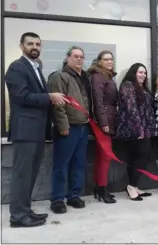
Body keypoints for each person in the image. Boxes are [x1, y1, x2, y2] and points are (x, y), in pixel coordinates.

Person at [5, 32, 67, 227]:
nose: (34, 47)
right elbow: (21, 97)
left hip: (37, 130)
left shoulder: (36, 67)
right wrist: (49, 97)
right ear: (21, 46)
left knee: (30, 175)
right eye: (30, 43)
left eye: (38, 44)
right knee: (22, 175)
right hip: (25, 130)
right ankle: (17, 216)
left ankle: (25, 210)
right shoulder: (17, 67)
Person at [48, 46, 92, 213]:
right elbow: (57, 105)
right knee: (61, 164)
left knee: (78, 164)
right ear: (67, 58)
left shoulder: (84, 77)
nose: (79, 59)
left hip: (83, 127)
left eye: (81, 57)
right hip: (68, 128)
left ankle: (74, 195)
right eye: (75, 56)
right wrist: (63, 126)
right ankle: (57, 199)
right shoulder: (59, 76)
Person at [115, 63, 156, 201]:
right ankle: (131, 186)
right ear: (133, 73)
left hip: (144, 128)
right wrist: (139, 129)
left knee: (137, 157)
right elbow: (131, 107)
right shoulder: (128, 85)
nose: (143, 75)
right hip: (133, 129)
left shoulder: (142, 88)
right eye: (140, 72)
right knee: (142, 156)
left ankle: (134, 185)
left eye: (144, 73)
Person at [88, 50, 117, 203]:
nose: (109, 62)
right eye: (106, 59)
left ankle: (100, 186)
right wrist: (103, 122)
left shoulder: (107, 76)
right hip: (103, 121)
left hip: (109, 119)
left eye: (111, 59)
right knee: (105, 156)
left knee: (102, 156)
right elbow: (98, 101)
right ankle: (102, 187)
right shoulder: (98, 76)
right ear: (99, 62)